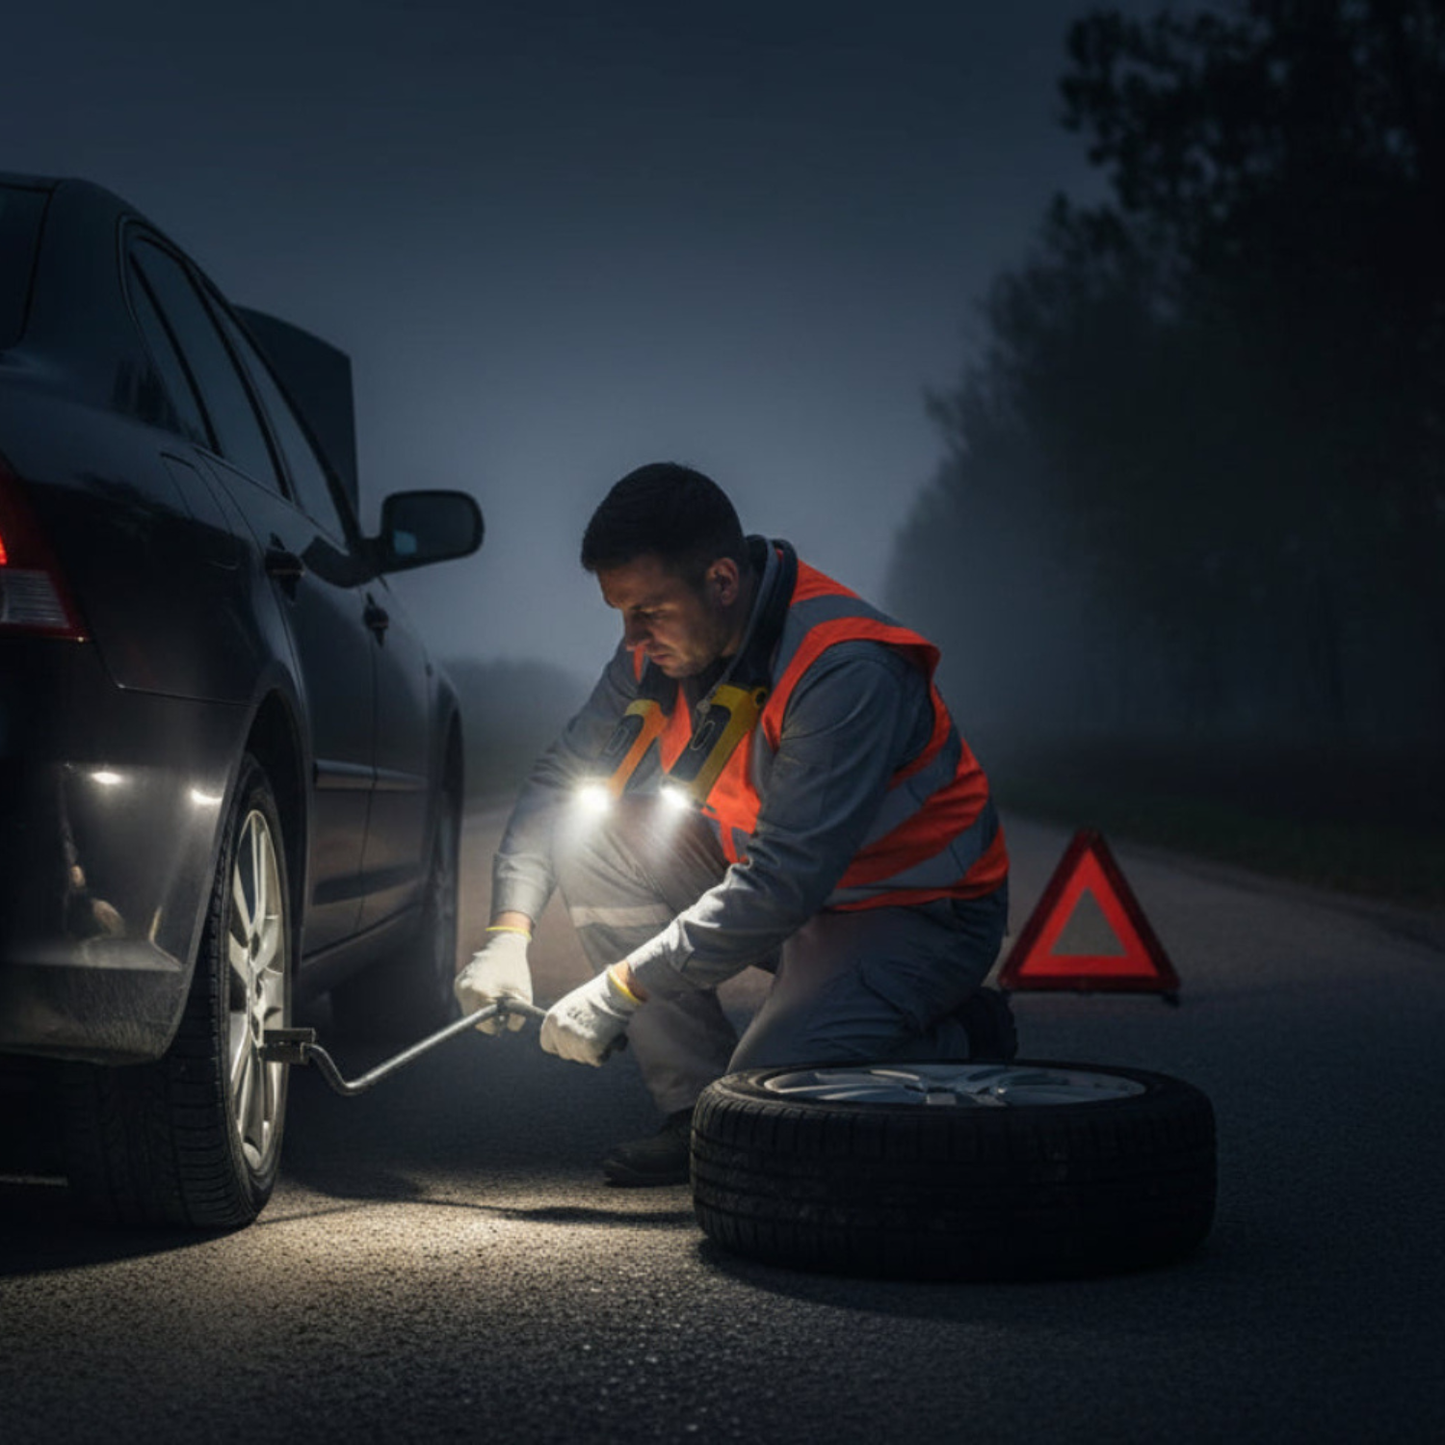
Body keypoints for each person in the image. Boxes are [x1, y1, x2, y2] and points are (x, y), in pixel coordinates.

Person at [455, 462, 1012, 1185]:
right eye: (620, 612)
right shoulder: (656, 650)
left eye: (647, 611)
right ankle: (696, 1111)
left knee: (773, 1097)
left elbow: (784, 880)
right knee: (588, 833)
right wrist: (508, 932)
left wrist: (620, 987)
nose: (630, 635)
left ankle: (961, 1035)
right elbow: (559, 779)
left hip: (916, 914)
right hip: (790, 901)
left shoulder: (844, 667)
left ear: (721, 580)